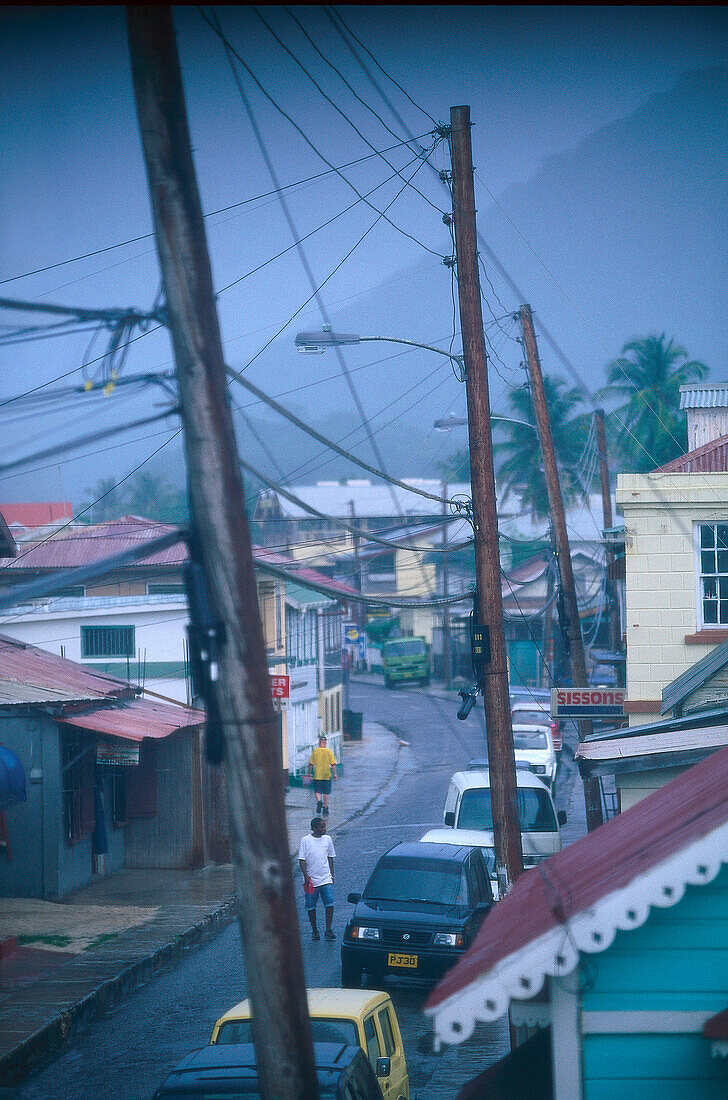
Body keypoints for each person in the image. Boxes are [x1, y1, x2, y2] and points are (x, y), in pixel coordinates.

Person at [298, 816, 336, 941]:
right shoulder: (305, 840)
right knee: (311, 905)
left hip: (326, 878)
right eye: (322, 827)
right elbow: (302, 860)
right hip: (311, 881)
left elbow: (330, 857)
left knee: (329, 903)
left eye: (324, 826)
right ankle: (314, 930)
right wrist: (306, 876)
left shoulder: (328, 839)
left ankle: (328, 929)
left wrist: (332, 875)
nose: (324, 829)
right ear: (314, 828)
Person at [307, 734, 337, 816]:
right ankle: (325, 808)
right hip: (327, 774)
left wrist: (309, 774)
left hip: (317, 774)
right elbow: (333, 764)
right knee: (326, 792)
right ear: (325, 743)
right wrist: (335, 774)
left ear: (319, 743)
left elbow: (311, 764)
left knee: (317, 791)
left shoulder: (315, 751)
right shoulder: (329, 752)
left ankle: (319, 801)